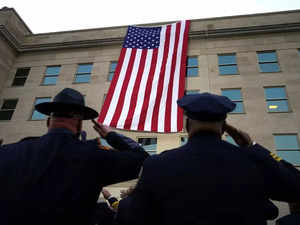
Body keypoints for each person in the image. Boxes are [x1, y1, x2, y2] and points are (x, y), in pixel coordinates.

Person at [117, 92, 300, 225]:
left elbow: (135, 217)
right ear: (224, 125)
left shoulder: (157, 164)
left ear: (187, 123)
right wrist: (252, 147)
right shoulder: (253, 161)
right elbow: (295, 187)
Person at [0, 88, 149, 225]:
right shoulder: (94, 156)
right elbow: (143, 160)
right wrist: (111, 135)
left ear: (48, 121)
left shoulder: (7, 153)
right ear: (79, 122)